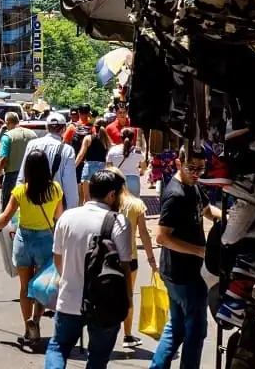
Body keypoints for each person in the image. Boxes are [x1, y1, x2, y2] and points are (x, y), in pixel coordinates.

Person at [46, 169, 132, 369]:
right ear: (111, 195)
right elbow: (125, 266)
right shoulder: (119, 222)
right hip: (105, 303)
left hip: (69, 299)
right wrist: (127, 299)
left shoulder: (67, 217)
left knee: (58, 347)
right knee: (98, 357)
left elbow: (57, 258)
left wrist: (68, 278)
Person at [150, 146, 221, 369]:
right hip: (183, 275)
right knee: (196, 331)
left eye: (201, 168)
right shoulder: (175, 195)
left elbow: (207, 210)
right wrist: (201, 251)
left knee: (177, 327)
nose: (197, 172)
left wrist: (228, 217)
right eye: (192, 168)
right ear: (179, 164)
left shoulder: (194, 187)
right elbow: (161, 237)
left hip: (180, 272)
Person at [0, 150, 64, 344]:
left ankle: (27, 329)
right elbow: (59, 217)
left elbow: (5, 218)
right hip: (45, 241)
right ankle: (36, 319)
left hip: (23, 241)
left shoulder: (21, 191)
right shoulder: (55, 189)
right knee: (39, 286)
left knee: (24, 287)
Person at [106, 166, 156, 348]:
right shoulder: (136, 204)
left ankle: (106, 333)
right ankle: (127, 335)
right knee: (127, 297)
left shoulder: (106, 204)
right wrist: (151, 259)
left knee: (107, 295)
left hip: (108, 256)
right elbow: (144, 234)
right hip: (130, 258)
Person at [17, 113, 79, 210]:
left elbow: (23, 174)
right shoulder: (67, 150)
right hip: (55, 202)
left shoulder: (32, 144)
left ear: (47, 127)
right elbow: (69, 182)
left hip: (32, 198)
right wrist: (72, 208)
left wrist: (19, 200)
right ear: (64, 128)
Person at [0, 112, 37, 209]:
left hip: (12, 175)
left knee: (7, 205)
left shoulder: (7, 137)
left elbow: (3, 158)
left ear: (7, 122)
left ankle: (6, 222)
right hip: (31, 175)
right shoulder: (33, 134)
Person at [76, 123, 111, 204]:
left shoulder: (88, 138)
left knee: (87, 198)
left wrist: (73, 166)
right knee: (101, 197)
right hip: (102, 168)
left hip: (89, 168)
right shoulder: (107, 139)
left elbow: (81, 154)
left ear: (94, 128)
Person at [107, 128, 147, 196]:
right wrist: (141, 172)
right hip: (133, 182)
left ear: (120, 137)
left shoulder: (113, 150)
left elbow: (109, 167)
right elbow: (144, 167)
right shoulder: (137, 151)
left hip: (118, 181)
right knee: (134, 205)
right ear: (133, 138)